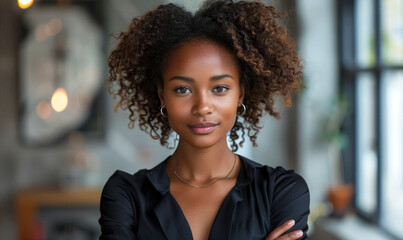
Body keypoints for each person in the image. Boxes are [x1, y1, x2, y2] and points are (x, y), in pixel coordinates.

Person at [99, 0, 310, 239]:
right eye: (182, 89)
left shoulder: (281, 192)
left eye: (219, 88)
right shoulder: (126, 196)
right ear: (162, 96)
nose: (202, 107)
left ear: (240, 92)